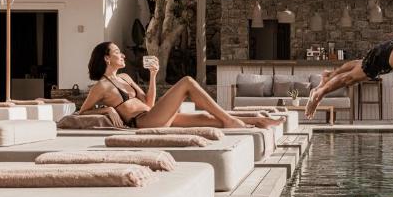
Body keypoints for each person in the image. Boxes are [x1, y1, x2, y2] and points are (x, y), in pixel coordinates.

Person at [78, 42, 282, 130]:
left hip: (152, 114)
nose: (122, 54)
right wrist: (107, 109)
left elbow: (149, 102)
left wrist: (153, 75)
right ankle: (230, 120)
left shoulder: (126, 78)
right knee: (187, 82)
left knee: (206, 118)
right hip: (143, 122)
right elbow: (81, 113)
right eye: (117, 52)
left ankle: (258, 120)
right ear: (106, 58)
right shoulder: (102, 86)